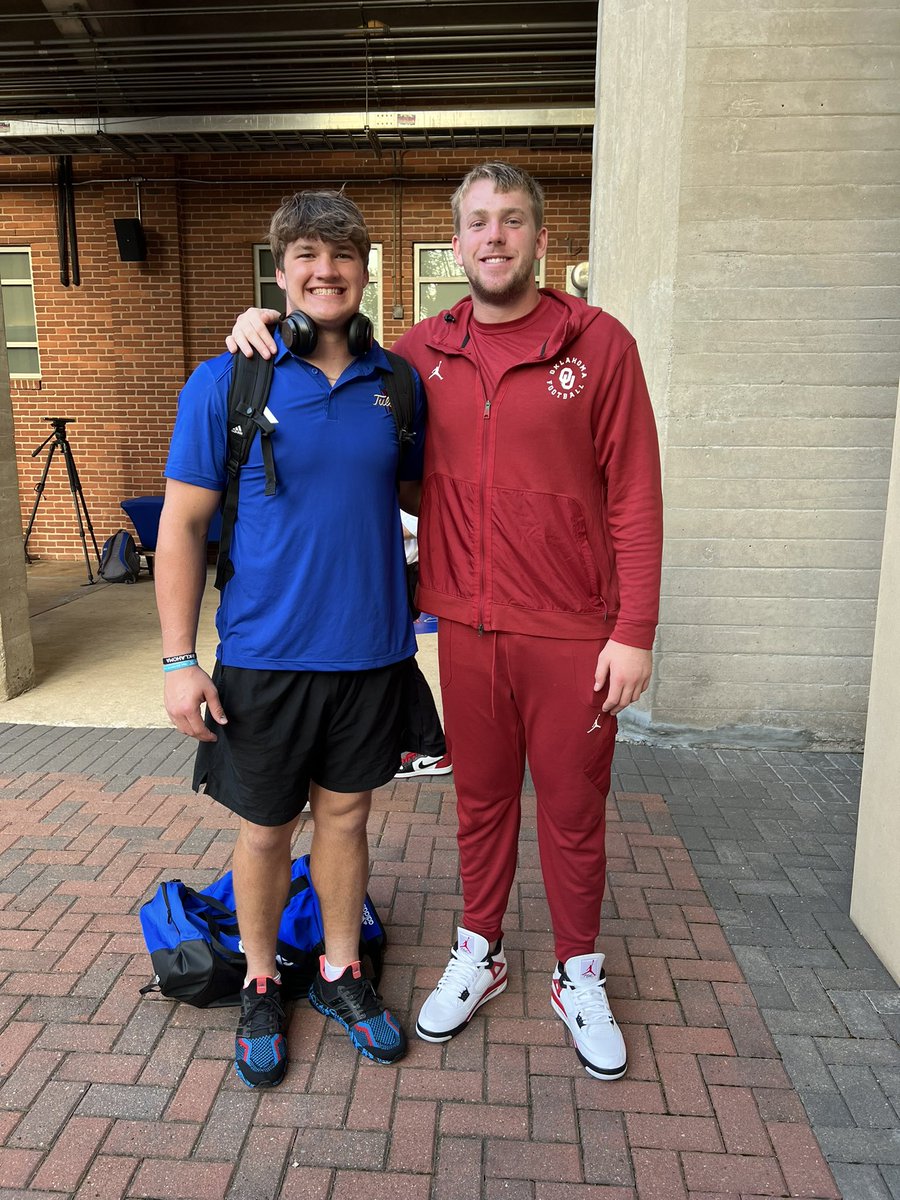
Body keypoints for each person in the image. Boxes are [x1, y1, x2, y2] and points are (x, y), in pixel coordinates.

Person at [227, 161, 663, 1082]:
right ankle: (481, 952)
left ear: (542, 240)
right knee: (481, 804)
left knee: (575, 812)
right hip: (462, 624)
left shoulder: (601, 346)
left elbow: (634, 494)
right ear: (455, 243)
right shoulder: (419, 354)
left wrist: (635, 628)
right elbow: (341, 381)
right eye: (476, 223)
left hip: (575, 631)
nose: (494, 236)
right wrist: (261, 326)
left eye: (512, 221)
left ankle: (578, 971)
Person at [155, 190, 425, 1088]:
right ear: (282, 272)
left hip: (373, 653)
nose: (326, 269)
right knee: (268, 831)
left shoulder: (397, 384)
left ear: (364, 270)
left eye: (343, 254)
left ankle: (343, 974)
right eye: (307, 254)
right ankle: (264, 979)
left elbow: (433, 498)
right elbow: (184, 528)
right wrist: (177, 659)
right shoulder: (230, 378)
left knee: (346, 819)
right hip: (265, 658)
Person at [396, 510, 452, 778]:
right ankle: (425, 744)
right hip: (387, 568)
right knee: (396, 661)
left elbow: (419, 522)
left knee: (399, 661)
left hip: (400, 571)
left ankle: (431, 747)